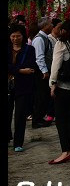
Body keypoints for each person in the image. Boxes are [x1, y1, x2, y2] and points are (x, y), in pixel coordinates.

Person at [48, 21, 70, 164]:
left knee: (61, 120)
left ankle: (65, 151)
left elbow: (55, 66)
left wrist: (52, 84)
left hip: (63, 87)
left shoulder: (60, 44)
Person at [8, 23, 38, 152]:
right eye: (13, 36)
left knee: (20, 115)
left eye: (18, 36)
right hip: (9, 86)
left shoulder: (29, 50)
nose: (15, 39)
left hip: (23, 86)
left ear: (23, 36)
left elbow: (31, 66)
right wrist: (20, 71)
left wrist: (16, 70)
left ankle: (18, 142)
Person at [30, 18, 56, 128]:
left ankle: (40, 117)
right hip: (41, 72)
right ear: (45, 26)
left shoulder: (45, 38)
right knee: (40, 96)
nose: (52, 26)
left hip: (44, 70)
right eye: (50, 24)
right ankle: (36, 120)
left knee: (44, 96)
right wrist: (44, 71)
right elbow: (39, 57)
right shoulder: (39, 39)